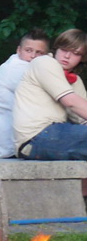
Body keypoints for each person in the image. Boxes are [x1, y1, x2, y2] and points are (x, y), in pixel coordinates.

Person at [12, 29, 87, 160]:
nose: (67, 56)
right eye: (64, 50)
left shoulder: (75, 81)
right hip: (36, 137)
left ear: (82, 58)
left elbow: (82, 119)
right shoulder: (44, 62)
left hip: (57, 133)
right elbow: (71, 101)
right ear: (56, 49)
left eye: (75, 53)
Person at [0, 30, 51, 159]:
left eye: (39, 53)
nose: (33, 56)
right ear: (19, 50)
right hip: (4, 150)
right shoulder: (16, 68)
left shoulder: (22, 66)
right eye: (28, 50)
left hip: (7, 145)